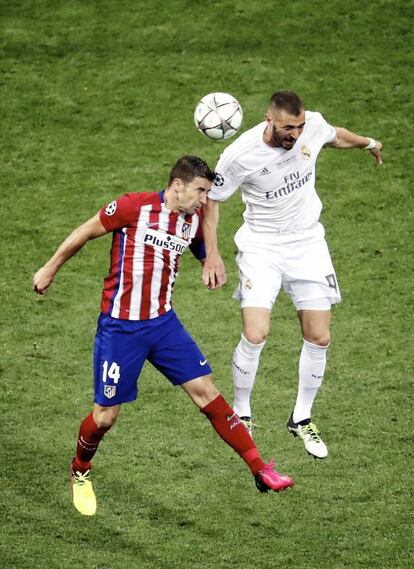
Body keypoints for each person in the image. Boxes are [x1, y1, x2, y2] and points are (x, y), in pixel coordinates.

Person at [33, 155, 294, 516]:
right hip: (121, 328)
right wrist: (50, 268)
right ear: (177, 186)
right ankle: (80, 470)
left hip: (163, 324)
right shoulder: (133, 207)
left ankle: (260, 469)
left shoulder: (192, 222)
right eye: (200, 191)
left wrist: (212, 262)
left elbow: (206, 252)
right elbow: (85, 230)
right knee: (105, 417)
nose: (204, 199)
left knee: (207, 392)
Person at [202, 91, 383, 459]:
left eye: (299, 126)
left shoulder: (311, 126)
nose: (296, 134)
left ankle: (301, 418)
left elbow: (335, 135)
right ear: (269, 120)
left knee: (319, 336)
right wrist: (212, 255)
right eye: (288, 127)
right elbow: (212, 201)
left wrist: (370, 143)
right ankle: (242, 412)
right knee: (256, 332)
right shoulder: (240, 155)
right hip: (261, 247)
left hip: (307, 244)